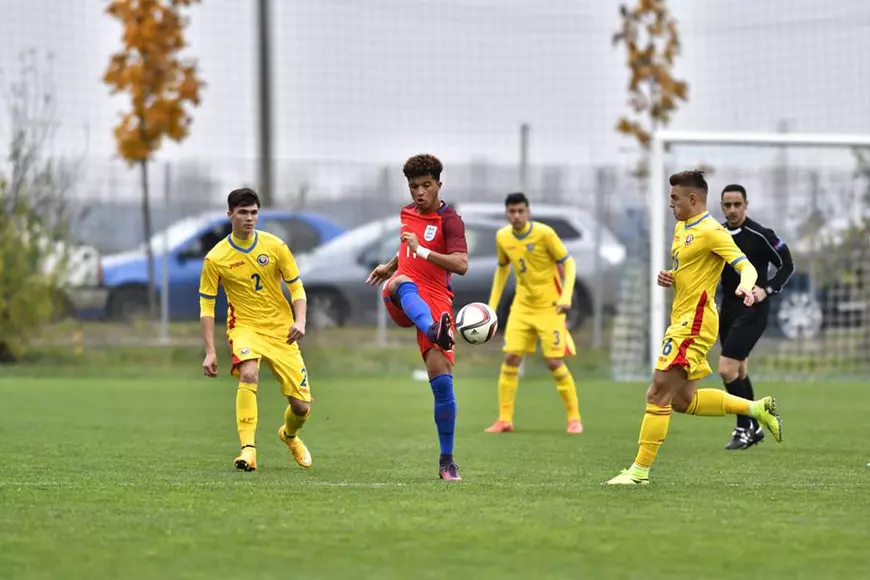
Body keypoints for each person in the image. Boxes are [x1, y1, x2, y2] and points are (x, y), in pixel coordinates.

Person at [607, 170, 783, 485]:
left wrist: (744, 286)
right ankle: (757, 409)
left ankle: (638, 473)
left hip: (695, 321)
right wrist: (673, 277)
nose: (670, 203)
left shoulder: (713, 231)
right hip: (683, 318)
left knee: (657, 393)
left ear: (692, 199)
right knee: (682, 401)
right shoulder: (681, 227)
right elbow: (690, 269)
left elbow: (744, 266)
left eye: (674, 198)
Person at [366, 154, 468, 481]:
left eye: (426, 185)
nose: (419, 193)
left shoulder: (451, 220)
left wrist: (422, 251)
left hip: (436, 298)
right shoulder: (407, 213)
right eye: (414, 187)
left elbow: (461, 264)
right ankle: (433, 329)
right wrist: (390, 266)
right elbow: (409, 247)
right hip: (402, 294)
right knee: (401, 283)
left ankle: (447, 461)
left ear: (439, 184)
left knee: (441, 382)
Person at [199, 188, 313, 472]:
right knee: (248, 372)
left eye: (253, 213)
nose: (249, 218)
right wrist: (210, 351)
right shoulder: (216, 258)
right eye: (242, 213)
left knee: (301, 407)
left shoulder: (275, 246)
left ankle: (289, 435)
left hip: (281, 330)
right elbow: (207, 307)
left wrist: (299, 322)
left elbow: (296, 287)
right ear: (230, 215)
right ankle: (248, 450)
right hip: (245, 328)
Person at [483, 192, 584, 434]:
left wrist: (566, 295)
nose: (516, 216)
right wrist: (491, 307)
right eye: (512, 212)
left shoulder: (544, 233)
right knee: (510, 358)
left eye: (520, 211)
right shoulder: (502, 236)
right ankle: (504, 419)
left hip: (550, 307)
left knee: (553, 361)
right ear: (506, 213)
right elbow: (502, 269)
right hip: (522, 306)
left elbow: (569, 263)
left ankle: (574, 418)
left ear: (528, 212)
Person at [719, 184, 795, 449]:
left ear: (746, 205)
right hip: (726, 309)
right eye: (727, 205)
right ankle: (755, 428)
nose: (732, 210)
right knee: (738, 370)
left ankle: (743, 428)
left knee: (726, 369)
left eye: (737, 204)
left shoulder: (760, 235)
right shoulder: (717, 234)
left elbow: (787, 264)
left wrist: (768, 289)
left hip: (752, 310)